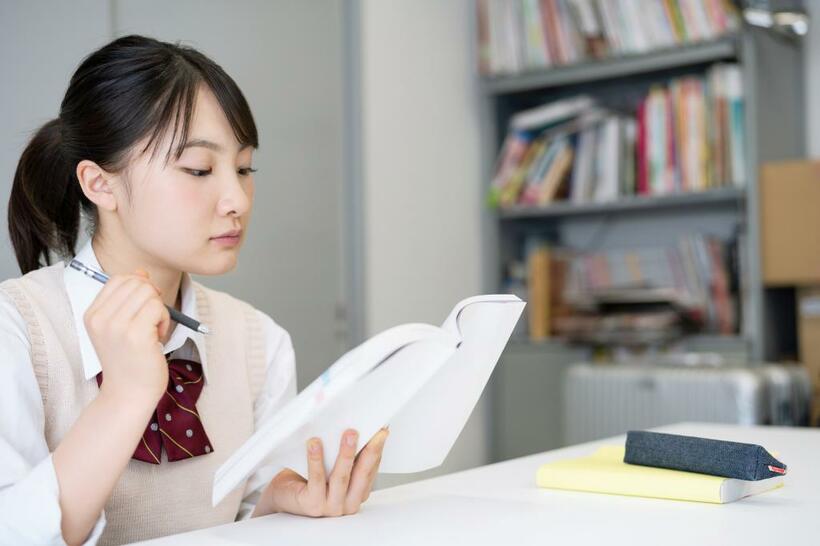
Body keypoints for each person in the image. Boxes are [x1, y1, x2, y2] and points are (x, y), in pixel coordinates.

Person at [0, 34, 388, 546]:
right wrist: (126, 395)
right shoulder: (17, 329)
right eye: (199, 170)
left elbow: (244, 521)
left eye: (245, 168)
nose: (237, 200)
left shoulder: (257, 340)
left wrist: (281, 505)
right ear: (100, 184)